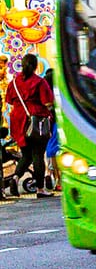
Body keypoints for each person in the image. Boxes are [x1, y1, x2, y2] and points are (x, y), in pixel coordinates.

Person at [6, 54, 54, 198]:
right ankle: (40, 189)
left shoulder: (13, 83)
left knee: (26, 154)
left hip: (18, 121)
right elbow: (48, 102)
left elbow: (9, 101)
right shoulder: (39, 82)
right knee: (38, 154)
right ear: (35, 66)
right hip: (35, 121)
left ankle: (15, 178)